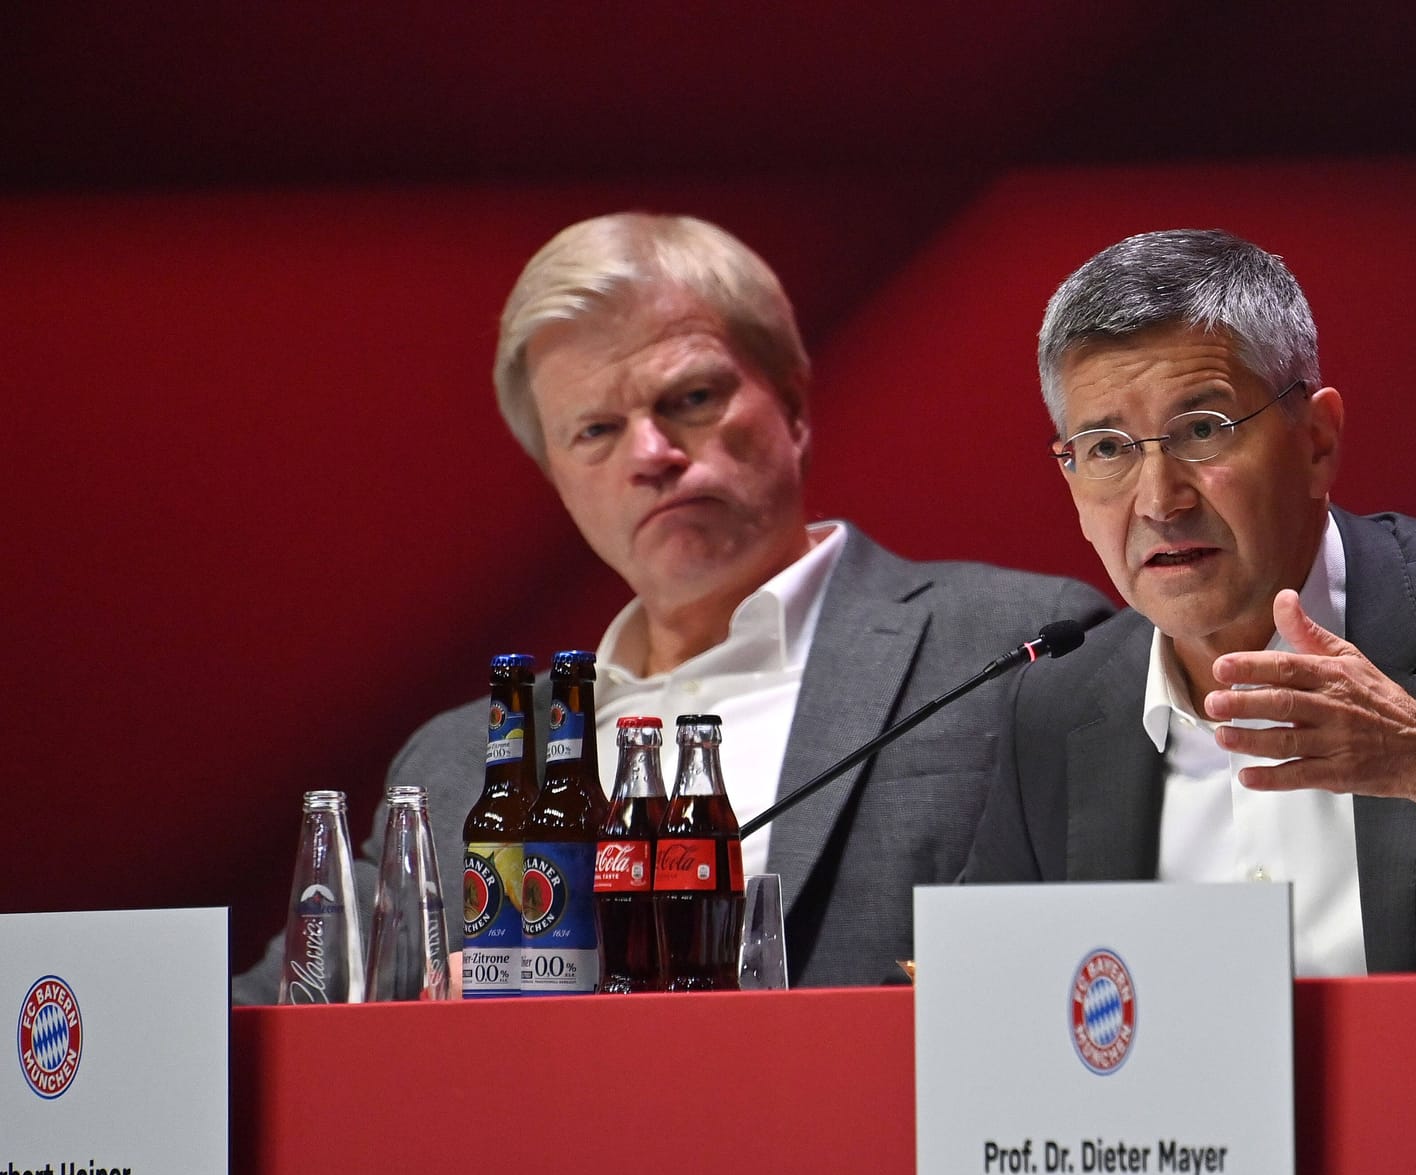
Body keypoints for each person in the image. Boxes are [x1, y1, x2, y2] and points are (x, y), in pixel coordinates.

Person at [233, 213, 1109, 1000]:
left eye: (689, 399)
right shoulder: (466, 762)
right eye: (595, 431)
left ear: (794, 401)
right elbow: (280, 1010)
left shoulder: (1014, 647)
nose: (650, 454)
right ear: (558, 482)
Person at [962, 229, 1416, 974]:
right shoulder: (1056, 708)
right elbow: (992, 999)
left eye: (1202, 430)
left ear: (1317, 441)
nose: (1159, 500)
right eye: (1106, 448)